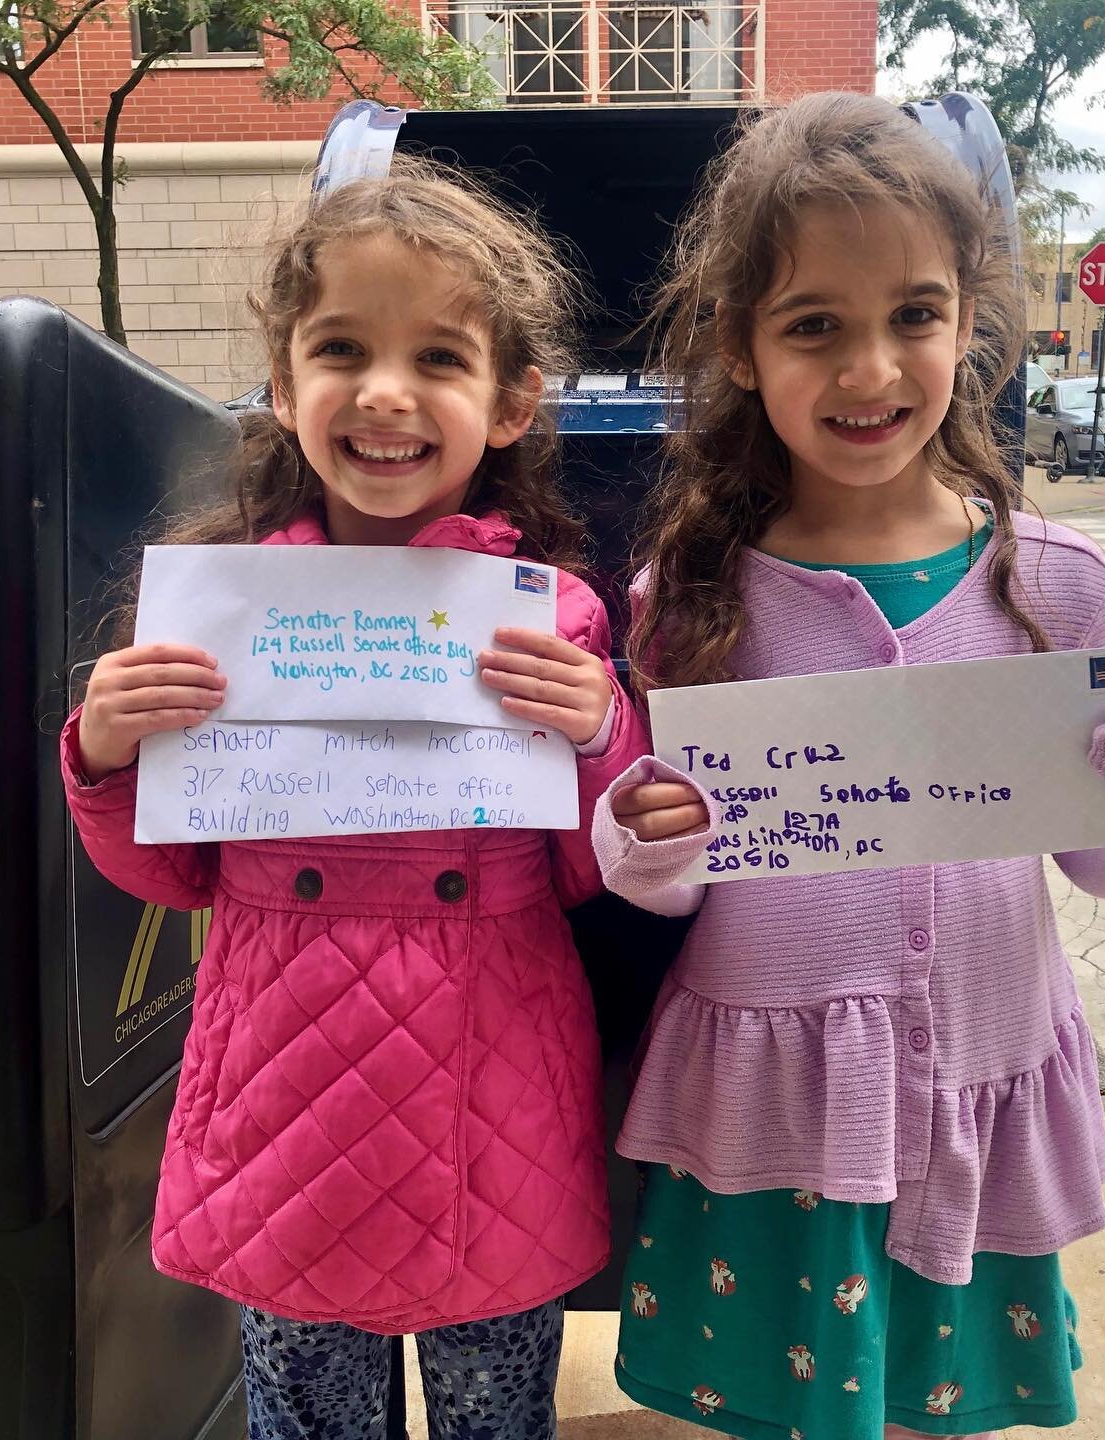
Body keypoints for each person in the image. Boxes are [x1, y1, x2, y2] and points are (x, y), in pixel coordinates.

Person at [591, 94, 1105, 1440]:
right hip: (779, 1099)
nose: (871, 367)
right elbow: (678, 878)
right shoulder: (691, 594)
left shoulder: (1054, 580)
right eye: (815, 324)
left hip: (975, 1069)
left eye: (914, 315)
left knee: (943, 1404)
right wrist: (643, 840)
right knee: (773, 1407)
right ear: (744, 349)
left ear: (969, 322)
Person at [61, 162, 648, 1440]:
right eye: (342, 349)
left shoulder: (554, 620)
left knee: (498, 1416)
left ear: (509, 403)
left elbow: (592, 869)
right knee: (312, 1421)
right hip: (284, 1098)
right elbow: (172, 877)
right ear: (283, 388)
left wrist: (602, 732)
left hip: (490, 1100)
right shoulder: (216, 613)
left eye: (440, 355)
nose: (386, 392)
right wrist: (105, 756)